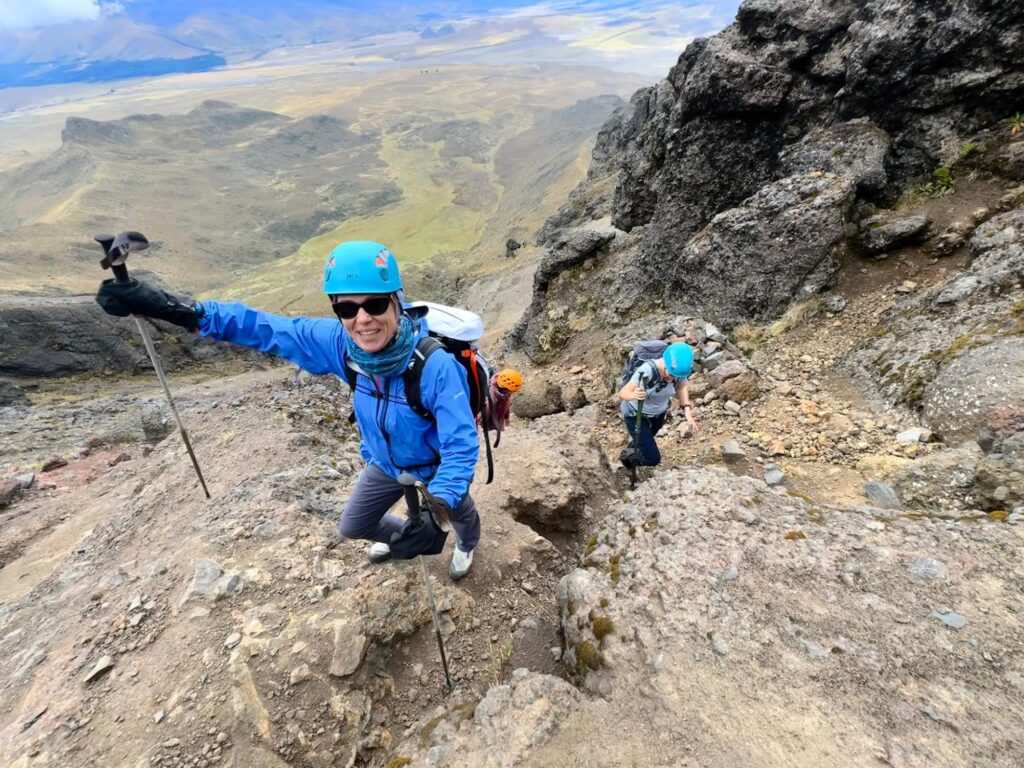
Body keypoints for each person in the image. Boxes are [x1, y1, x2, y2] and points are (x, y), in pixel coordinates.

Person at [95, 241, 481, 581]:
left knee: (459, 511)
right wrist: (175, 310)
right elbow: (264, 328)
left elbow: (460, 443)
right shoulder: (341, 346)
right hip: (383, 461)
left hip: (433, 465)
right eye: (347, 308)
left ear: (397, 300)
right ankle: (407, 535)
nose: (362, 320)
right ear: (337, 311)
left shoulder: (435, 366)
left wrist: (439, 506)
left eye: (375, 304)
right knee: (353, 525)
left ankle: (466, 543)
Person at [618, 342, 698, 469]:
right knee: (652, 458)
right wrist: (635, 395)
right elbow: (623, 393)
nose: (671, 379)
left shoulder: (678, 372)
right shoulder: (647, 370)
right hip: (636, 415)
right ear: (665, 363)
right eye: (670, 374)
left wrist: (687, 411)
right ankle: (627, 459)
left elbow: (682, 386)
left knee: (643, 443)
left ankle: (635, 448)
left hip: (658, 415)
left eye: (675, 377)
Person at [486, 369, 522, 447]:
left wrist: (507, 417)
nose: (513, 393)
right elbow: (485, 411)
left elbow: (506, 403)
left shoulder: (503, 390)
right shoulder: (491, 396)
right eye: (513, 391)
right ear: (506, 389)